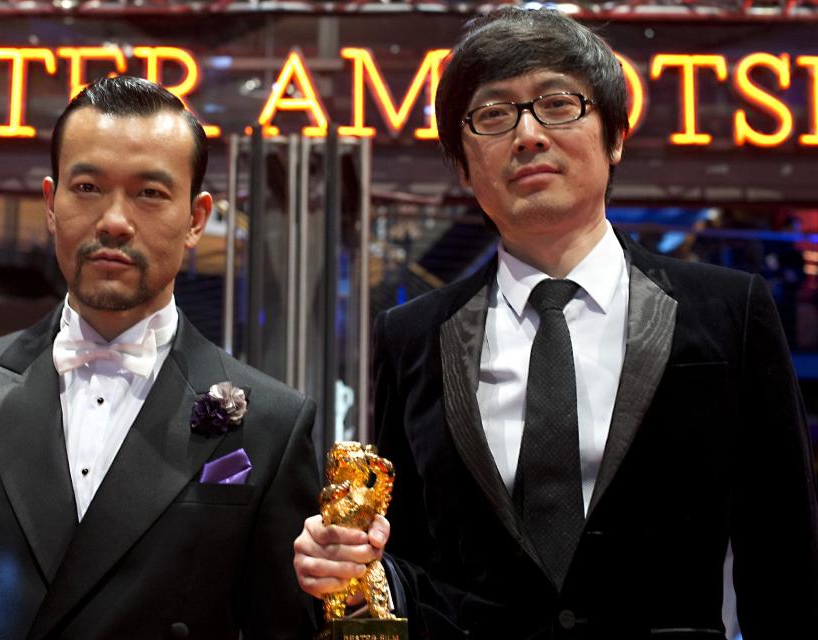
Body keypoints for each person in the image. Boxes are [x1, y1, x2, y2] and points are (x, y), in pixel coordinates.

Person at [294, 7, 818, 638]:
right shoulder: (411, 335)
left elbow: (784, 553)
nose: (528, 135)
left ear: (615, 136)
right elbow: (406, 555)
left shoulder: (729, 310)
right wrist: (350, 565)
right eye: (493, 114)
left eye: (558, 104)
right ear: (463, 165)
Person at [0, 76, 319, 640]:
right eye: (87, 187)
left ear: (197, 218)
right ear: (52, 204)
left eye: (150, 192)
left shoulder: (272, 422)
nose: (114, 221)